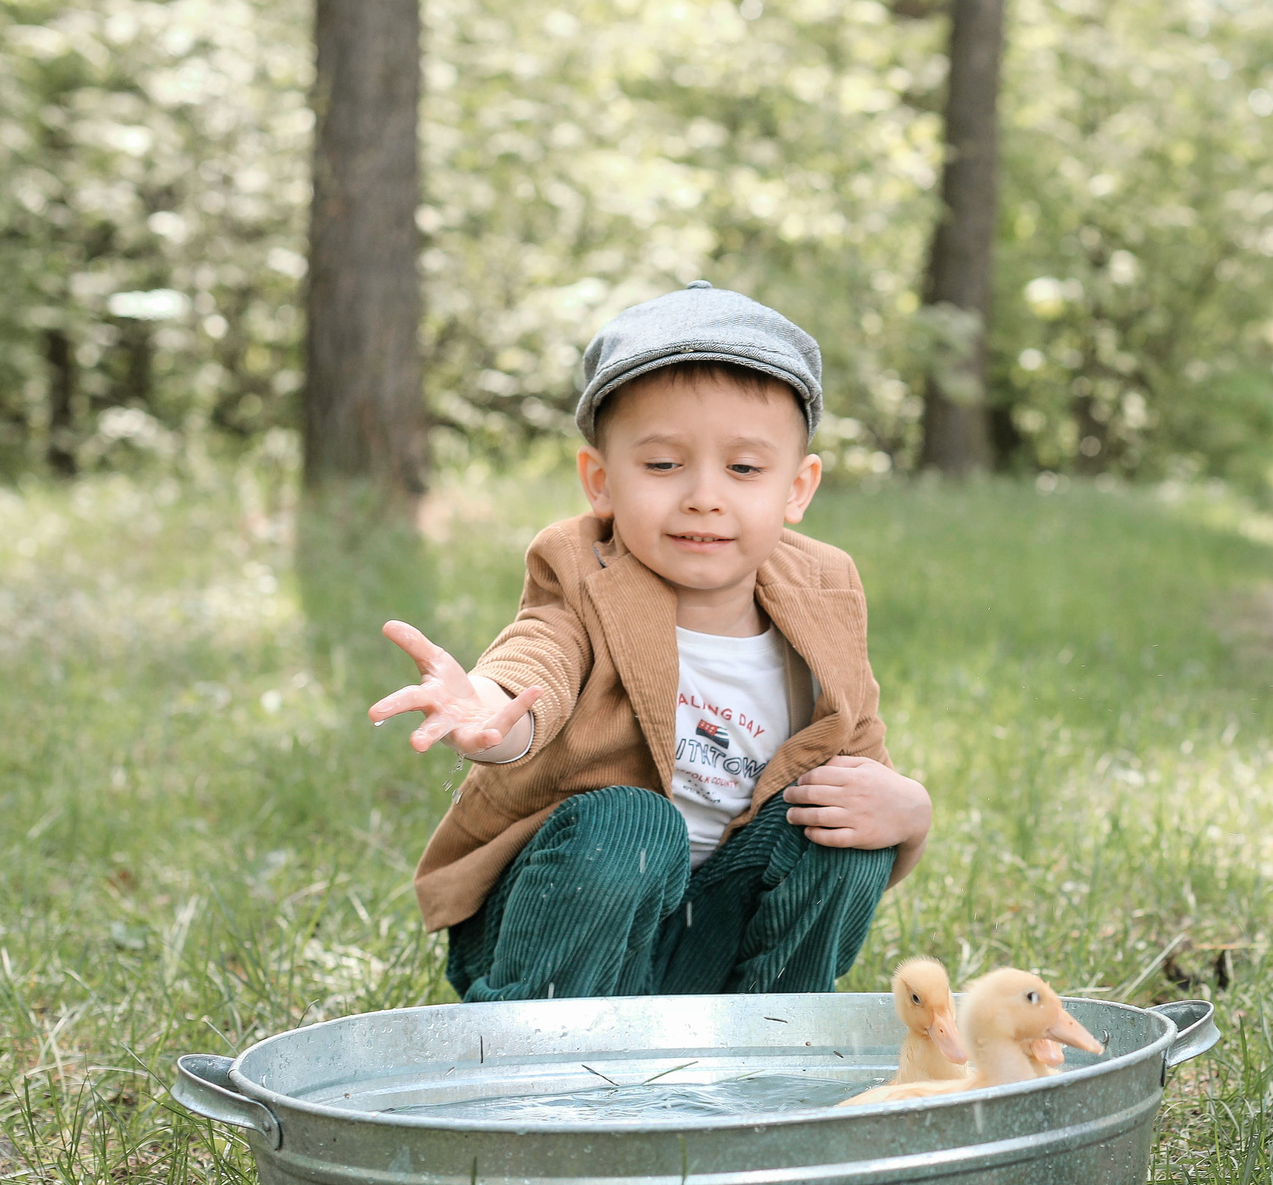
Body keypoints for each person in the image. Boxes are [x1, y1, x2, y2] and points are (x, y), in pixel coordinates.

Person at [369, 282, 933, 1002]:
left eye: (744, 468)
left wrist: (912, 814)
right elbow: (540, 654)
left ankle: (771, 1037)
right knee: (635, 821)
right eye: (663, 465)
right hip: (561, 921)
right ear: (601, 482)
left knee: (844, 820)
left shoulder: (824, 591)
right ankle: (535, 1043)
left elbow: (859, 761)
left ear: (797, 488)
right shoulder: (583, 570)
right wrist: (488, 707)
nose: (704, 495)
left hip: (711, 938)